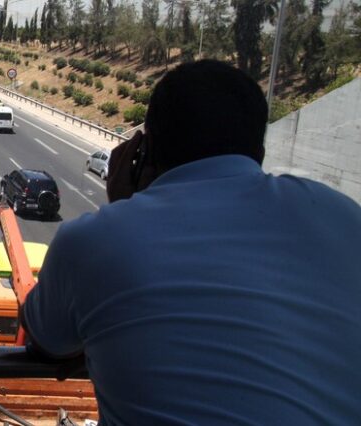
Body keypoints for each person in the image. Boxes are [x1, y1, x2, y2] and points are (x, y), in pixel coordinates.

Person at [22, 60, 361, 425]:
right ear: (258, 152)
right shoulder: (341, 215)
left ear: (143, 152)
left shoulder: (92, 241)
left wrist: (124, 209)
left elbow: (46, 340)